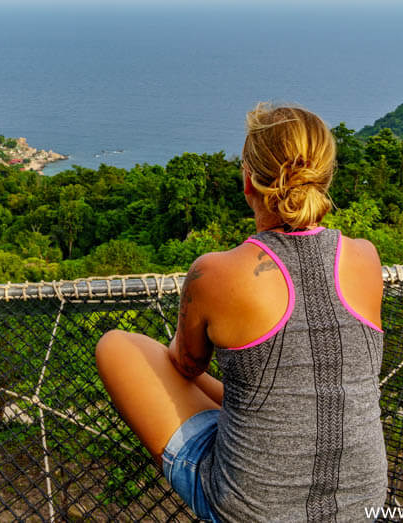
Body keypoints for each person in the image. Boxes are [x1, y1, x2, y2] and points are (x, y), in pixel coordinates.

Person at [95, 103, 387, 522]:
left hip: (253, 510)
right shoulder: (365, 257)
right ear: (324, 176)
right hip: (364, 503)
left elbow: (186, 365)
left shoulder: (215, 272)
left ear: (248, 179)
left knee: (117, 346)